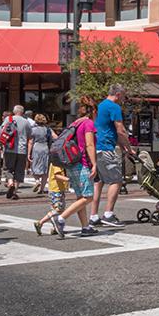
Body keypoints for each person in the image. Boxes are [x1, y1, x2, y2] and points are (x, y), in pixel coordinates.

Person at [51, 97, 99, 238]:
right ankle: (60, 219)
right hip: (82, 163)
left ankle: (85, 227)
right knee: (88, 197)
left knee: (80, 196)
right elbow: (89, 144)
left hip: (72, 163)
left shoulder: (76, 123)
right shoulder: (88, 124)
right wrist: (94, 164)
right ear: (93, 111)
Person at [90, 84, 131, 228]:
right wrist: (129, 148)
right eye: (124, 96)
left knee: (99, 182)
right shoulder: (114, 107)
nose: (124, 99)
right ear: (118, 94)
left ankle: (93, 216)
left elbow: (111, 130)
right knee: (116, 180)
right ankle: (108, 214)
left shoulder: (101, 105)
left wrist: (121, 146)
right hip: (107, 148)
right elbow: (120, 131)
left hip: (98, 147)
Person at [3, 105, 32, 200]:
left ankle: (10, 182)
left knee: (8, 168)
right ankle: (15, 191)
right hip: (22, 149)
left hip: (10, 148)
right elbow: (30, 135)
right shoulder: (26, 122)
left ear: (14, 111)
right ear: (22, 112)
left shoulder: (8, 119)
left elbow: (2, 131)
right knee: (19, 170)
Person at [34, 163, 69, 237]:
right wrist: (68, 179)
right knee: (58, 209)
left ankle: (53, 228)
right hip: (56, 190)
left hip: (57, 190)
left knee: (57, 209)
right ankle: (40, 223)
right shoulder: (57, 163)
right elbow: (57, 175)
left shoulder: (58, 162)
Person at [28, 114, 54, 194]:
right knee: (45, 168)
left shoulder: (33, 130)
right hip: (45, 148)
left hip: (36, 148)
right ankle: (42, 189)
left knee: (34, 166)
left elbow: (30, 142)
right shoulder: (48, 129)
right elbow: (55, 137)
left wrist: (28, 153)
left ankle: (37, 181)